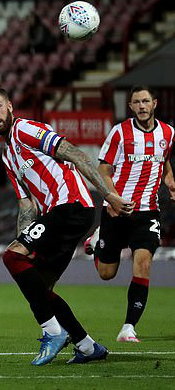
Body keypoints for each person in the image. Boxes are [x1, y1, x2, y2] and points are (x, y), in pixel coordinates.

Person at [0, 84, 134, 365]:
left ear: (10, 106)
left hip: (71, 206)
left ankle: (53, 333)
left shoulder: (26, 130)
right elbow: (27, 205)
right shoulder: (7, 155)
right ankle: (87, 347)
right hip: (58, 214)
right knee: (40, 287)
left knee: (11, 257)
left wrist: (108, 195)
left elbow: (74, 153)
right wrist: (24, 240)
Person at [84, 85, 175, 343]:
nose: (142, 106)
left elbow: (165, 158)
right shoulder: (119, 133)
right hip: (116, 209)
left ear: (155, 103)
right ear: (131, 106)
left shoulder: (168, 133)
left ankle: (128, 327)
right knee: (106, 273)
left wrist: (169, 178)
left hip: (147, 211)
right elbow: (103, 171)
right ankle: (97, 240)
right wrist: (112, 199)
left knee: (143, 262)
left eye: (146, 101)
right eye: (137, 102)